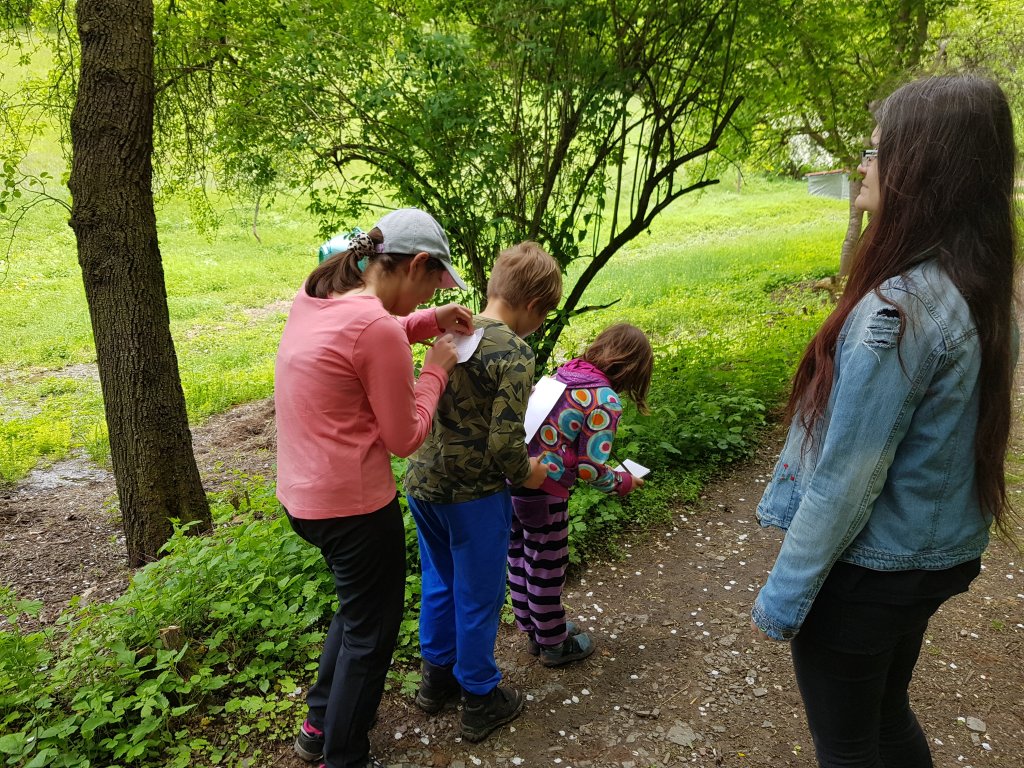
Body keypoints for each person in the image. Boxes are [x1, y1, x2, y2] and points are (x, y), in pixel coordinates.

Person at [750, 74, 1019, 768]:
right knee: (886, 714)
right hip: (931, 563)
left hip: (867, 576)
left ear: (920, 170)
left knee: (846, 746)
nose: (864, 165)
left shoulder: (898, 310)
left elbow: (847, 475)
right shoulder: (980, 289)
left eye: (876, 151)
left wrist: (783, 597)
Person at [276, 208, 474, 768]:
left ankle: (318, 725)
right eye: (433, 284)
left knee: (356, 611)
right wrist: (436, 368)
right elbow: (405, 437)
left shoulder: (318, 295)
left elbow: (362, 341)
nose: (431, 295)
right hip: (356, 509)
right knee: (371, 636)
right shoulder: (376, 328)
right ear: (415, 264)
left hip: (304, 498)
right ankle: (343, 755)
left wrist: (429, 319)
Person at [403, 241, 563, 742]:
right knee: (479, 595)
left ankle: (435, 681)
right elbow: (503, 442)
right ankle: (479, 696)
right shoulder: (515, 352)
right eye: (543, 314)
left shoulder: (451, 331)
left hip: (423, 485)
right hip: (474, 497)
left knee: (439, 580)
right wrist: (529, 473)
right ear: (533, 306)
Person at [508, 323, 653, 666]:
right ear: (633, 368)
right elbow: (589, 467)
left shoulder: (562, 375)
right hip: (547, 492)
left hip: (514, 479)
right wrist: (623, 482)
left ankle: (536, 632)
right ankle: (555, 644)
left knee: (519, 558)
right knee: (546, 568)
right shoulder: (604, 399)